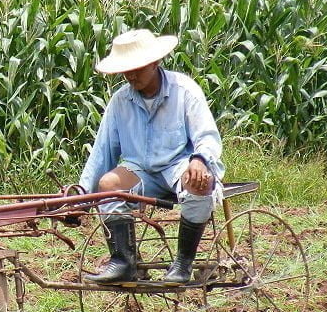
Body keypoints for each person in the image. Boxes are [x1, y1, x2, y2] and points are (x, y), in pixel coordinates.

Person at [79, 28, 224, 284]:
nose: (131, 75)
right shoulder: (120, 101)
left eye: (138, 68)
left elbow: (207, 136)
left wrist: (199, 160)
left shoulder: (184, 91)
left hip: (180, 166)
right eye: (126, 69)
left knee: (198, 181)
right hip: (141, 171)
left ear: (155, 62)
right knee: (108, 185)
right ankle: (123, 262)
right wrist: (80, 195)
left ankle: (182, 264)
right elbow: (102, 153)